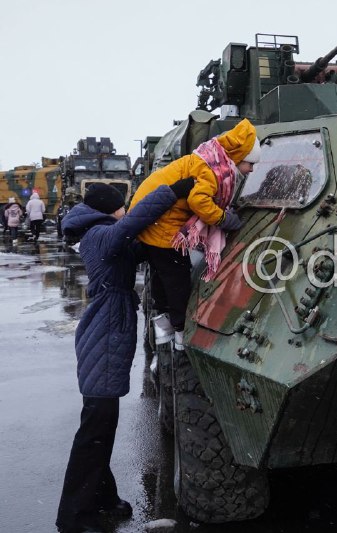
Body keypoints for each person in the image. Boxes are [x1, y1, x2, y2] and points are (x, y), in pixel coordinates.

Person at [56, 178, 195, 533]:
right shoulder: (102, 234)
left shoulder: (99, 233)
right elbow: (133, 224)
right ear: (110, 208)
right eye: (121, 204)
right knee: (94, 429)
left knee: (103, 425)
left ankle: (103, 498)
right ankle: (74, 516)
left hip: (106, 329)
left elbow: (137, 246)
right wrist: (171, 191)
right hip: (104, 333)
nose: (125, 209)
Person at [128, 118, 260, 351]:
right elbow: (198, 200)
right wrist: (223, 219)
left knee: (162, 272)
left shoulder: (209, 158)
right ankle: (181, 332)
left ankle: (164, 323)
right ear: (238, 158)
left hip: (152, 223)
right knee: (178, 276)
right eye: (250, 163)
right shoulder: (211, 170)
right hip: (162, 227)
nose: (251, 169)